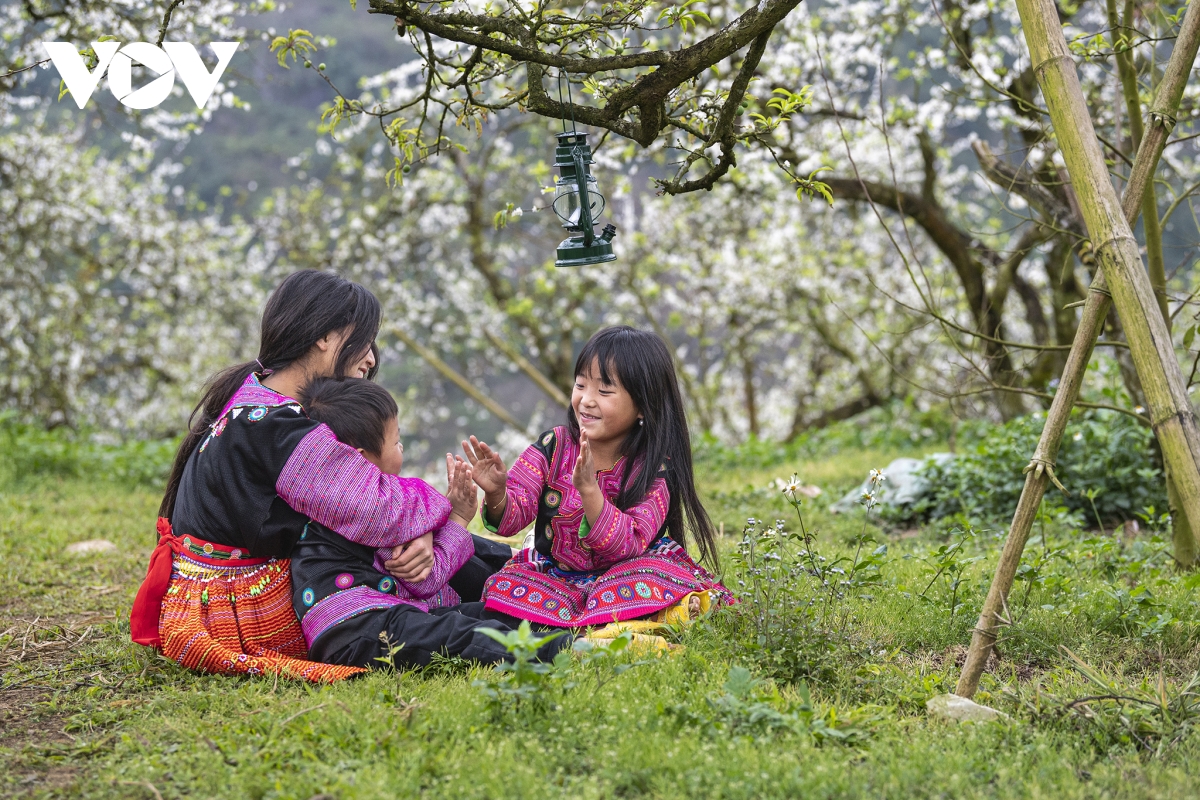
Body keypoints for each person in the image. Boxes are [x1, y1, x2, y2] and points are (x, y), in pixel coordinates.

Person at [128, 271, 536, 682]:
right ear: (325, 336)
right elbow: (380, 511)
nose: (371, 358)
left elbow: (374, 506)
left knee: (463, 552)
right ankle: (550, 600)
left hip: (231, 592)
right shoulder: (275, 427)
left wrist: (425, 525)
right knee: (438, 569)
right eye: (363, 340)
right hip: (245, 611)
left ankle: (550, 582)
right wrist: (441, 513)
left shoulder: (258, 403)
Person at [463, 325, 732, 627]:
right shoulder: (553, 446)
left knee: (651, 582)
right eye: (581, 385)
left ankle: (655, 611)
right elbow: (513, 516)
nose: (587, 400)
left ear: (643, 406)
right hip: (558, 576)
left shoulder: (654, 467)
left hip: (627, 573)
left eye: (604, 391)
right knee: (504, 587)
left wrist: (590, 491)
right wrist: (498, 492)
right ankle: (619, 619)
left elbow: (628, 544)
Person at [290, 377, 553, 668]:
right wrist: (459, 518)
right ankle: (565, 646)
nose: (401, 448)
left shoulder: (328, 491)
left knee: (484, 612)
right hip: (362, 628)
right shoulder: (372, 508)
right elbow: (427, 578)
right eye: (395, 441)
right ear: (359, 459)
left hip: (359, 621)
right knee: (465, 630)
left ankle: (534, 578)